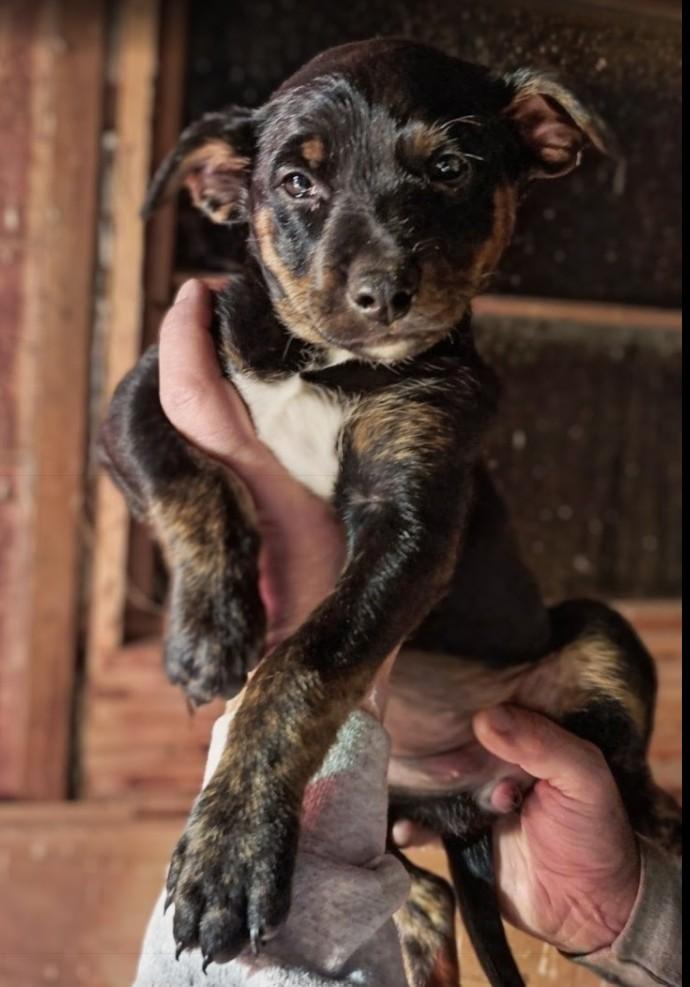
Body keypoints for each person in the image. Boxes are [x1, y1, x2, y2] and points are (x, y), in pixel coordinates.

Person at [133, 280, 681, 987]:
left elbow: (414, 547)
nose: (375, 273)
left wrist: (619, 907)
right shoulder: (236, 330)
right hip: (392, 756)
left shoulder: (433, 379)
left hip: (488, 691)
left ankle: (634, 803)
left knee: (597, 639)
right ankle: (410, 901)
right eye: (302, 184)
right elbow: (135, 425)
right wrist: (209, 562)